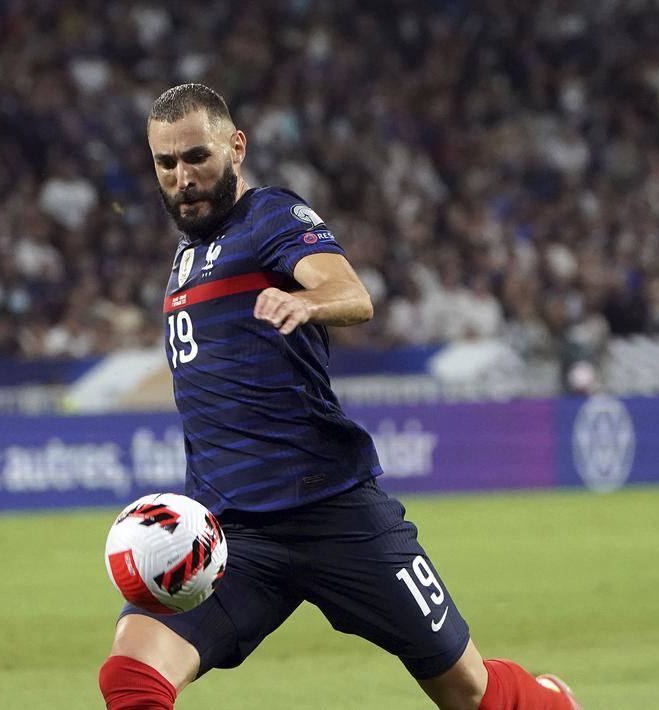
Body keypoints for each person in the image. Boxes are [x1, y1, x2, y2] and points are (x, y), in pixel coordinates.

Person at [97, 83, 582, 710]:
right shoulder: (188, 257)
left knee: (467, 691)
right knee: (131, 673)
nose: (183, 177)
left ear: (236, 146)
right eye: (167, 164)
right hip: (232, 538)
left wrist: (307, 301)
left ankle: (552, 703)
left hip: (335, 514)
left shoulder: (268, 216)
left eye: (197, 157)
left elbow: (351, 291)